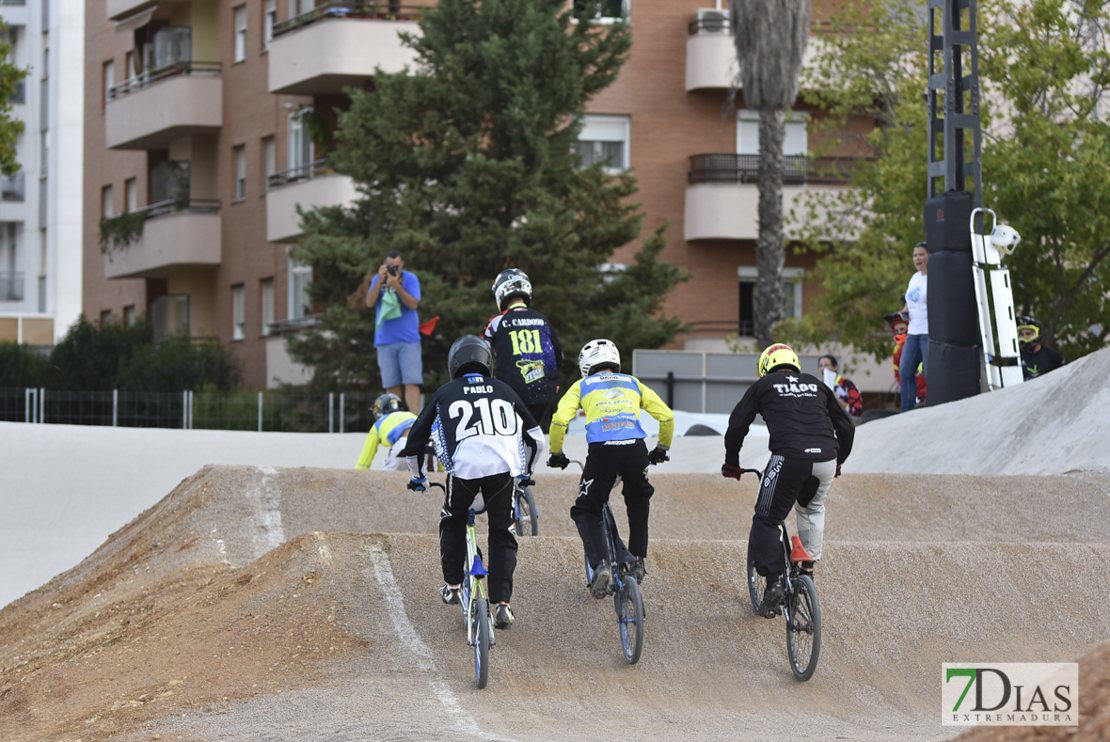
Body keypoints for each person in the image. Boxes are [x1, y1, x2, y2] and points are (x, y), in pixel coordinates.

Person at [401, 335, 545, 630]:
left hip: (464, 470)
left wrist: (418, 476)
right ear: (488, 362)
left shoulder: (445, 392)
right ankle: (503, 604)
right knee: (502, 530)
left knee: (452, 520)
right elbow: (537, 438)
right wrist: (525, 470)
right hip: (503, 471)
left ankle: (453, 586)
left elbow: (414, 440)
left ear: (453, 364)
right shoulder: (504, 389)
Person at [722, 343, 854, 618]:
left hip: (789, 457)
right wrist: (839, 460)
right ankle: (807, 572)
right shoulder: (816, 384)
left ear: (764, 367)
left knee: (767, 519)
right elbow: (846, 426)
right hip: (826, 457)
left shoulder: (764, 385)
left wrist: (732, 461)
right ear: (795, 363)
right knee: (812, 509)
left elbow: (737, 426)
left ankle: (774, 584)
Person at [546, 339, 674, 598]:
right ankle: (637, 559)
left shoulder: (582, 386)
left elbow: (559, 420)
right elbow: (667, 417)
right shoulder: (633, 382)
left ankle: (600, 565)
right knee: (638, 498)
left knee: (585, 509)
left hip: (603, 451)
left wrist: (556, 454)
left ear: (585, 365)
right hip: (635, 449)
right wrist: (661, 449)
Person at [481, 269, 563, 430]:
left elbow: (479, 353)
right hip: (544, 393)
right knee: (531, 434)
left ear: (500, 292)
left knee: (513, 435)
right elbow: (559, 355)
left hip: (511, 393)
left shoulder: (497, 321)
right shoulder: (542, 319)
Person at [365, 251, 423, 414]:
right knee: (391, 385)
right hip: (385, 340)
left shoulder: (410, 279)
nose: (394, 269)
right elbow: (369, 303)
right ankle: (394, 420)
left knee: (412, 381)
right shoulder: (378, 279)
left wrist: (396, 285)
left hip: (409, 339)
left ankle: (414, 421)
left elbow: (413, 304)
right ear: (384, 265)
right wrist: (380, 282)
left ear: (402, 264)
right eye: (390, 266)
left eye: (396, 266)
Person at [900, 241, 929, 412]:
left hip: (928, 331)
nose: (917, 258)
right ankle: (906, 412)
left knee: (930, 374)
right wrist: (904, 312)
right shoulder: (914, 278)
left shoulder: (934, 277)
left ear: (929, 256)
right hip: (913, 331)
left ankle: (933, 407)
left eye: (921, 254)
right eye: (915, 255)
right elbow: (909, 303)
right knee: (905, 371)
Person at [355, 393, 416, 471]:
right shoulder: (411, 415)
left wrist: (357, 475)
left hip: (403, 446)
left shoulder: (379, 423)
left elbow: (365, 459)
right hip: (428, 444)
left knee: (384, 480)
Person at [886, 311, 927, 405]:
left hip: (926, 394)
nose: (899, 333)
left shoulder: (922, 343)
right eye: (896, 330)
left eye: (902, 329)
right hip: (913, 396)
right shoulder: (896, 350)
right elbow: (898, 375)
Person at [1016, 316, 1066, 381]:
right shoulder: (1017, 359)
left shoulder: (1053, 356)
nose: (1024, 337)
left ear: (1038, 334)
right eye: (1022, 334)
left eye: (1028, 334)